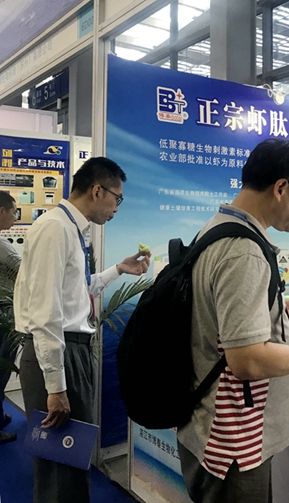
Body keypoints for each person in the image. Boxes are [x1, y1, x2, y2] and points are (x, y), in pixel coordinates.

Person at [177, 138, 289, 503]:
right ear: (281, 188)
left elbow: (221, 318)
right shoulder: (245, 251)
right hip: (234, 443)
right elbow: (247, 360)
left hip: (211, 428)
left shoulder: (219, 227)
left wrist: (277, 310)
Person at [14, 157, 150, 503]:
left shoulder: (70, 229)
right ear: (97, 190)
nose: (117, 208)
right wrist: (56, 387)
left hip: (68, 351)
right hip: (58, 353)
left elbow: (76, 290)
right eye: (117, 198)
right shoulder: (56, 229)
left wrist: (118, 269)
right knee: (60, 465)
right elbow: (45, 313)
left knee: (71, 462)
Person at [0, 190, 20, 445]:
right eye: (14, 212)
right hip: (3, 315)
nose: (16, 217)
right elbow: (23, 271)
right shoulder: (2, 246)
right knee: (2, 367)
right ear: (1, 211)